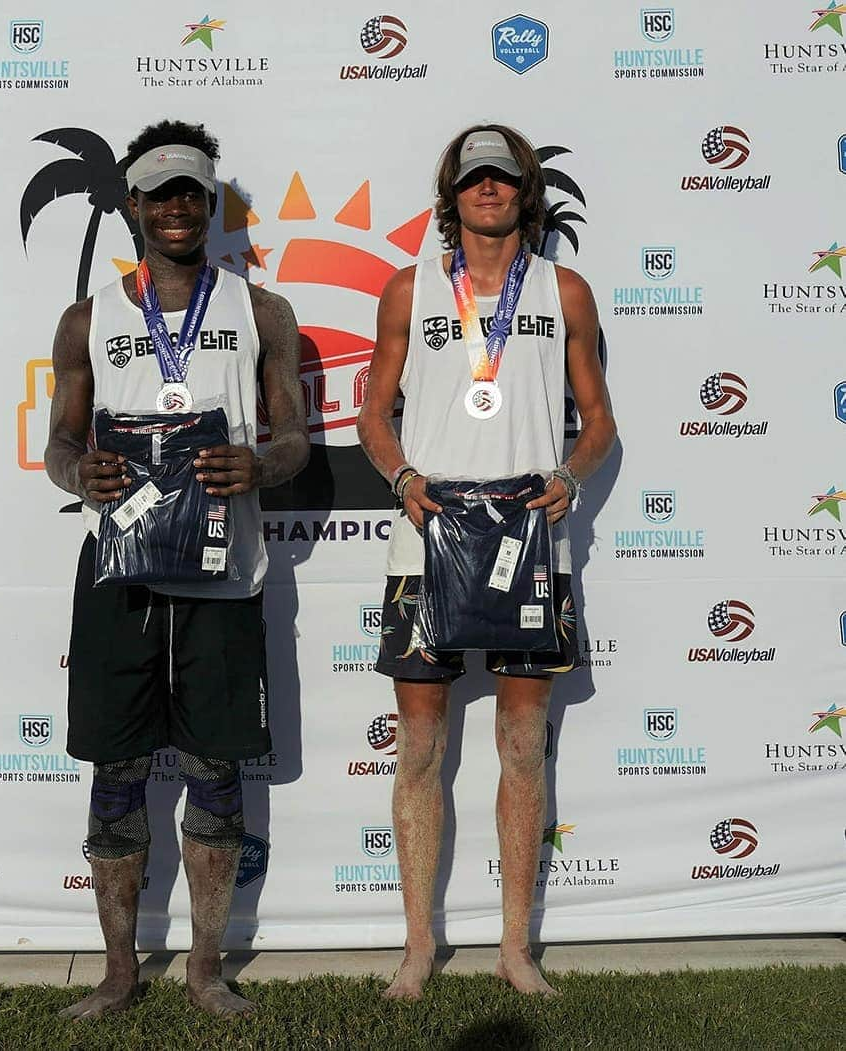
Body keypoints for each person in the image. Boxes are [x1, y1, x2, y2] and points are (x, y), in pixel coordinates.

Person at [45, 119, 307, 1019]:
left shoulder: (260, 309)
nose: (176, 208)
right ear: (133, 205)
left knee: (214, 765)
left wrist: (257, 466)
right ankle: (120, 972)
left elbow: (294, 442)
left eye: (191, 192)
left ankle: (203, 969)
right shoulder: (88, 316)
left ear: (210, 202)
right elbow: (58, 442)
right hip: (120, 570)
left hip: (222, 572)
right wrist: (81, 472)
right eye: (159, 194)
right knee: (114, 767)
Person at [356, 125, 616, 999]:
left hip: (526, 537)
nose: (490, 190)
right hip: (425, 536)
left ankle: (514, 947)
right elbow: (372, 414)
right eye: (474, 180)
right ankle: (416, 947)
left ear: (525, 192)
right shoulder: (406, 289)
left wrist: (569, 478)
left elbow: (600, 421)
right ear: (452, 193)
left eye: (504, 178)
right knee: (420, 746)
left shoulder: (565, 290)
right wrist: (399, 475)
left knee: (518, 744)